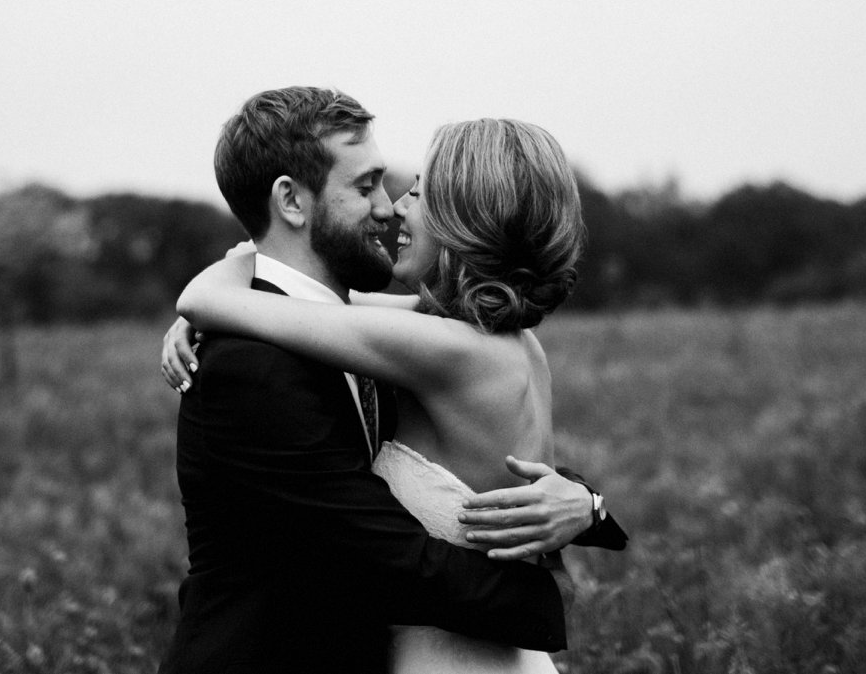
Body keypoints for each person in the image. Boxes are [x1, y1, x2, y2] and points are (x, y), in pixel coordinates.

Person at [157, 88, 619, 674]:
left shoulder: (439, 345)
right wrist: (584, 516)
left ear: (464, 221)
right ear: (292, 201)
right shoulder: (499, 342)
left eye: (414, 192)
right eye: (368, 185)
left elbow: (214, 299)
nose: (392, 207)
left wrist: (211, 298)